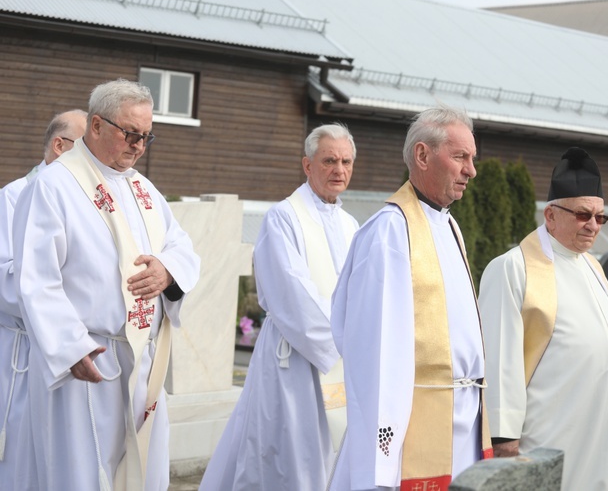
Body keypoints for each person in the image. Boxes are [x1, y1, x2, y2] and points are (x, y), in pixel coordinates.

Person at [12, 79, 200, 491]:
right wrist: (70, 347)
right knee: (82, 475)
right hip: (88, 363)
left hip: (142, 363)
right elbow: (37, 278)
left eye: (147, 137)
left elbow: (182, 247)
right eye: (130, 134)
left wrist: (167, 271)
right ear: (96, 126)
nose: (138, 147)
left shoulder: (143, 189)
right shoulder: (54, 186)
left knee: (141, 473)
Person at [327, 106, 493, 491]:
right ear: (422, 156)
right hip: (413, 425)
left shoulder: (449, 224)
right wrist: (381, 460)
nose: (471, 170)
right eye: (460, 157)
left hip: (463, 417)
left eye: (472, 159)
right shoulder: (389, 232)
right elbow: (377, 353)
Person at [199, 123, 359, 491]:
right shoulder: (284, 217)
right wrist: (343, 341)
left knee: (329, 457)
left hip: (341, 357)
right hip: (294, 359)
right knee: (287, 456)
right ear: (307, 165)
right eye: (329, 160)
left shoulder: (352, 225)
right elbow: (291, 295)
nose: (339, 170)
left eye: (346, 162)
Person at [478, 147, 608, 491]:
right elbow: (499, 360)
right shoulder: (513, 268)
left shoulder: (594, 267)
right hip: (544, 438)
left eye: (600, 217)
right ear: (550, 215)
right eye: (584, 215)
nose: (594, 226)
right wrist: (505, 441)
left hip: (596, 437)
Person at [0, 109, 87, 488]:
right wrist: (53, 293)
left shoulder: (87, 199)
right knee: (22, 458)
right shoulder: (14, 196)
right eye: (85, 148)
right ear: (59, 145)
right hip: (25, 351)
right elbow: (5, 278)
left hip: (73, 349)